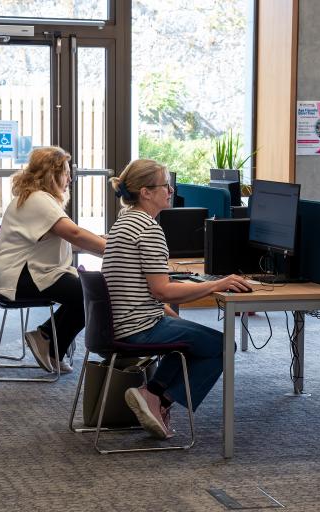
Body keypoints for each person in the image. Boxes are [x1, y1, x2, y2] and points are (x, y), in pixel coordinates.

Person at [101, 159, 251, 439]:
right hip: (137, 328)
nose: (171, 190)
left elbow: (148, 291)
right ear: (146, 192)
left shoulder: (125, 222)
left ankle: (153, 393)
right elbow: (162, 290)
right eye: (165, 185)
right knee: (221, 346)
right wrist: (217, 285)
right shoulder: (149, 230)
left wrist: (171, 313)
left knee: (190, 333)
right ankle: (159, 398)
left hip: (120, 323)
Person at [0, 146, 105, 374]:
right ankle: (50, 345)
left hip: (30, 272)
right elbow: (74, 234)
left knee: (86, 293)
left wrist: (104, 244)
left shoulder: (36, 198)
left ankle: (46, 337)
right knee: (91, 294)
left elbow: (68, 242)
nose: (70, 179)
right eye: (65, 173)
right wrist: (115, 249)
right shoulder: (38, 200)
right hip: (23, 277)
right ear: (51, 174)